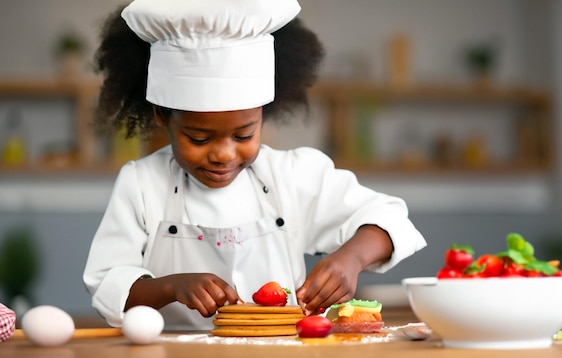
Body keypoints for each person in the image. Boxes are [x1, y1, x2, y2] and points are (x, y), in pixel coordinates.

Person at [83, 0, 427, 331]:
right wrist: (170, 287)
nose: (224, 155)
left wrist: (350, 259)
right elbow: (107, 285)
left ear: (262, 116)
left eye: (244, 135)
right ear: (162, 115)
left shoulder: (292, 176)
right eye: (200, 139)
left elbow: (389, 220)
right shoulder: (142, 184)